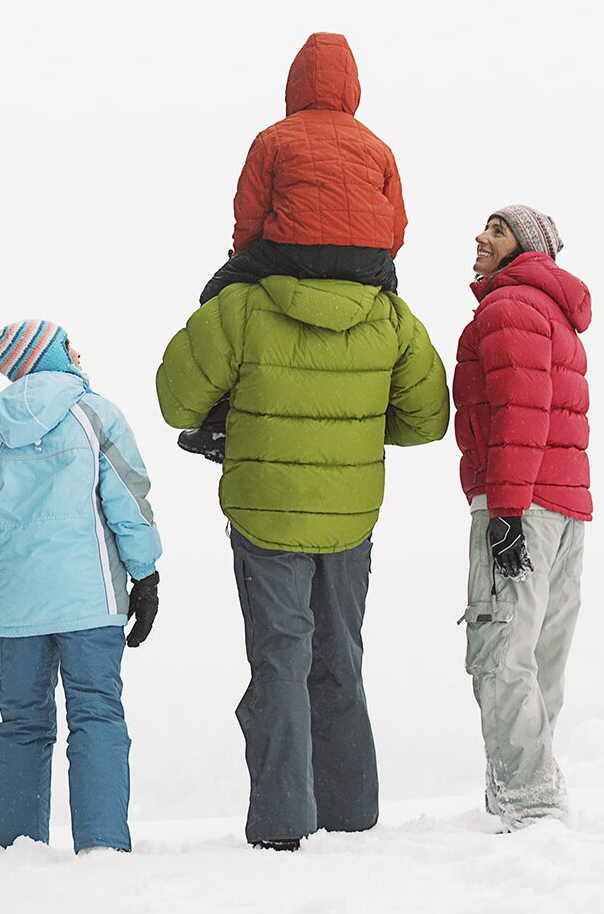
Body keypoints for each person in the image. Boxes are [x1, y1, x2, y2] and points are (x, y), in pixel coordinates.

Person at [156, 274, 448, 850]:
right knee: (341, 656)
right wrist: (353, 425)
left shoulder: (244, 305)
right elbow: (427, 419)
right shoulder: (388, 315)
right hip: (349, 512)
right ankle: (350, 813)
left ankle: (281, 822)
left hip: (266, 509)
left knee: (280, 661)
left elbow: (177, 401)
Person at [0, 320, 162, 853]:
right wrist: (145, 573)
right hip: (90, 601)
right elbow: (128, 497)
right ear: (47, 356)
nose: (78, 351)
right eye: (67, 344)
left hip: (19, 609)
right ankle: (102, 847)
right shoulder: (94, 415)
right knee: (96, 716)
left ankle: (17, 851)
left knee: (22, 724)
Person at [178, 31, 409, 464]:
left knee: (216, 297)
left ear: (295, 84)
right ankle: (381, 407)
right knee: (392, 321)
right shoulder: (379, 147)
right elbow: (396, 224)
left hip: (293, 248)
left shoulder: (274, 138)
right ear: (352, 87)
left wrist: (242, 263)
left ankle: (216, 423)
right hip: (369, 258)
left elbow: (248, 213)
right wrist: (375, 264)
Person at [452, 205, 592, 831]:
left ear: (523, 248)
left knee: (501, 647)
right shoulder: (558, 317)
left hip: (521, 503)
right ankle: (529, 793)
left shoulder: (510, 309)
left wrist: (505, 513)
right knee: (537, 655)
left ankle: (529, 805)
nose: (480, 236)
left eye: (497, 230)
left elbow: (520, 414)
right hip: (564, 507)